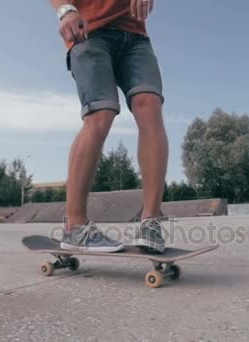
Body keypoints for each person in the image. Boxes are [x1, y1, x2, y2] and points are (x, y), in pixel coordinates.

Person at [50, 0, 168, 253]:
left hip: (136, 38)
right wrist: (65, 10)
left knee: (150, 106)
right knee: (100, 114)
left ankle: (151, 221)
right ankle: (75, 227)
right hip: (88, 32)